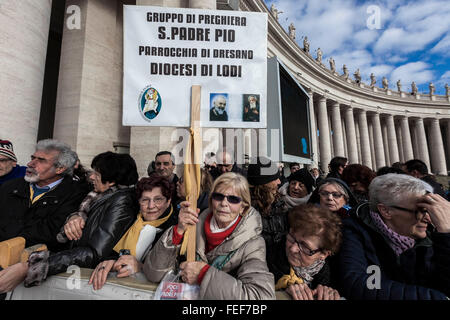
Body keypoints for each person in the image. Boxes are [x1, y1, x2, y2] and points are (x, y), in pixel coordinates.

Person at [0, 151, 140, 293]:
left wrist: (34, 266)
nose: (91, 177)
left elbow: (94, 253)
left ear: (111, 181)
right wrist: (74, 217)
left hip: (87, 284)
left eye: (96, 174)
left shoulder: (121, 203)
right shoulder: (98, 197)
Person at [142, 172, 276, 300]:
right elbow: (153, 273)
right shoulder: (192, 226)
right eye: (218, 197)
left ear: (243, 208)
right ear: (211, 201)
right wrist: (178, 231)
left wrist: (203, 274)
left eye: (233, 199)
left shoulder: (253, 244)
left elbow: (260, 296)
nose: (224, 203)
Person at [335, 174, 450, 299]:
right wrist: (431, 297)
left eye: (429, 210)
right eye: (420, 211)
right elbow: (360, 284)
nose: (428, 218)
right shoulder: (354, 231)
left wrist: (446, 235)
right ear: (386, 211)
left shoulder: (431, 238)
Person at [89, 176, 177, 290]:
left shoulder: (175, 229)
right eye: (145, 200)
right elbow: (109, 247)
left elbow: (173, 271)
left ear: (168, 201)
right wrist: (111, 261)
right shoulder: (129, 219)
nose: (151, 206)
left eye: (158, 199)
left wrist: (141, 266)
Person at [0, 139, 87, 251]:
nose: (30, 164)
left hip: (36, 259)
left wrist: (12, 242)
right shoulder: (9, 187)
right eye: (32, 158)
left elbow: (51, 232)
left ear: (60, 168)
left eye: (41, 160)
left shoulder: (75, 193)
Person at [268, 204, 342, 300]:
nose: (293, 249)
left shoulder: (330, 272)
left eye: (304, 246)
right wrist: (282, 294)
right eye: (292, 238)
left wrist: (328, 294)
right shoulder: (267, 257)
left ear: (323, 254)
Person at [247, 157, 286, 261]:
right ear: (264, 183)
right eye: (275, 178)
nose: (279, 182)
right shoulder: (246, 209)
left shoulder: (279, 203)